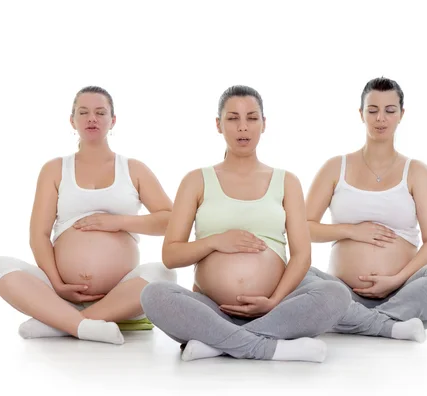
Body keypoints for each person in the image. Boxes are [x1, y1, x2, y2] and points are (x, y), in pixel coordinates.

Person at [140, 85, 351, 362]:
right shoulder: (196, 180)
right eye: (232, 118)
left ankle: (218, 343)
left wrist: (274, 300)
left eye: (252, 118)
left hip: (275, 308)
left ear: (264, 124)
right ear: (218, 124)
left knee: (336, 293)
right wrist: (215, 241)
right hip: (211, 307)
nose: (243, 127)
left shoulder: (287, 181)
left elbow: (302, 255)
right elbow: (170, 255)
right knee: (154, 294)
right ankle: (269, 347)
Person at [0, 86, 177, 345]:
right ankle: (84, 323)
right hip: (60, 293)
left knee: (164, 273)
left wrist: (117, 222)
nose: (92, 118)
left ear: (113, 120)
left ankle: (65, 325)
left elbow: (170, 221)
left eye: (100, 112)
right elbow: (39, 235)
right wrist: (57, 284)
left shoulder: (134, 169)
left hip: (121, 293)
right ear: (72, 120)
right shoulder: (54, 169)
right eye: (83, 112)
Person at [305, 77, 427, 341]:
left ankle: (356, 320)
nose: (380, 118)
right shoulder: (335, 167)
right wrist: (351, 231)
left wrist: (397, 279)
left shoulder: (417, 172)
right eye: (372, 110)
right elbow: (303, 228)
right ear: (361, 114)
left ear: (401, 115)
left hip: (403, 291)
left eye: (389, 110)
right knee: (298, 275)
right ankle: (389, 326)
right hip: (342, 291)